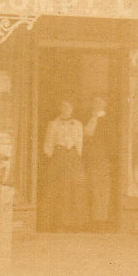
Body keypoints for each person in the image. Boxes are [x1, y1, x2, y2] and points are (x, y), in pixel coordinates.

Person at [40, 99, 87, 231]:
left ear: (72, 109)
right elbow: (48, 144)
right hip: (58, 157)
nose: (66, 109)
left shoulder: (77, 124)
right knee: (59, 188)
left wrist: (74, 156)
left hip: (73, 157)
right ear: (59, 108)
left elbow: (80, 142)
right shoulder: (53, 124)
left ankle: (74, 224)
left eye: (68, 107)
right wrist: (55, 156)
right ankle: (58, 223)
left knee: (74, 189)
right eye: (63, 106)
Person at [82, 94, 113, 230]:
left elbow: (112, 142)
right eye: (94, 102)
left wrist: (109, 157)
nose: (97, 104)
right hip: (87, 159)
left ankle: (100, 221)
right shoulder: (87, 118)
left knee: (101, 190)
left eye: (100, 102)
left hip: (102, 158)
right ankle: (90, 220)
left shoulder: (107, 120)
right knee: (90, 188)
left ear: (105, 104)